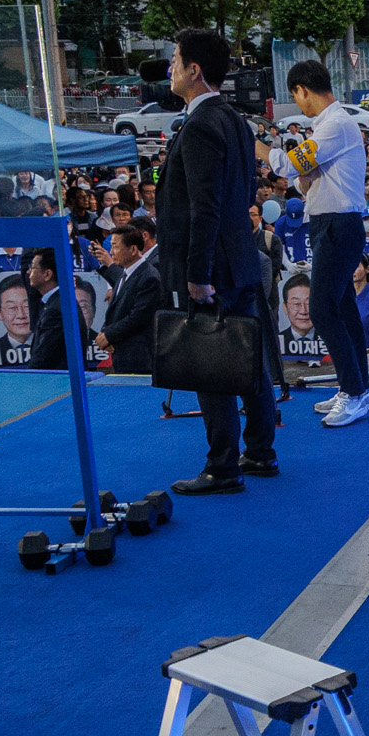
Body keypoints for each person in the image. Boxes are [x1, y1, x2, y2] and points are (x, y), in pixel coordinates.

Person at [153, 25, 275, 494]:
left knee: (213, 363)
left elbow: (204, 206)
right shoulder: (234, 120)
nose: (169, 69)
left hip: (214, 265)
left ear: (194, 70)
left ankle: (222, 466)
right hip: (237, 257)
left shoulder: (202, 124)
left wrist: (197, 272)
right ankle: (260, 452)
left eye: (174, 60)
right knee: (247, 355)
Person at [283, 58, 369, 429]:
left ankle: (354, 393)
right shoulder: (327, 126)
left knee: (322, 310)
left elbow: (286, 166)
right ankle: (356, 390)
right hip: (329, 224)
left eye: (295, 96)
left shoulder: (336, 124)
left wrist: (258, 148)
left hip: (338, 224)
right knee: (342, 308)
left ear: (303, 90)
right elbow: (302, 178)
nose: (298, 104)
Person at [96, 217, 166, 374]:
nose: (111, 252)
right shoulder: (125, 273)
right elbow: (117, 311)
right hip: (123, 353)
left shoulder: (149, 277)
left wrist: (109, 334)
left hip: (140, 358)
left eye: (115, 247)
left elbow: (138, 317)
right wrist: (106, 333)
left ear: (133, 250)